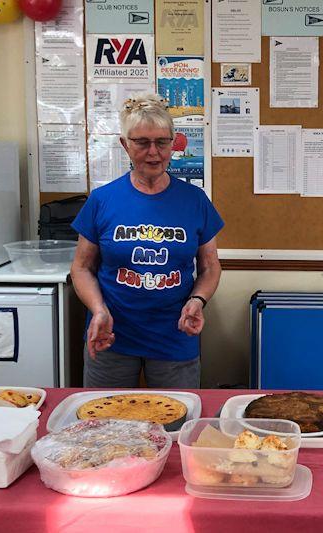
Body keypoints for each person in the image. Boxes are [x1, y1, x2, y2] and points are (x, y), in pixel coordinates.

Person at [70, 92, 223, 388]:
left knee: (175, 422)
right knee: (104, 424)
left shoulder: (195, 200)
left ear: (172, 143)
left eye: (161, 142)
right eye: (142, 142)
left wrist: (197, 300)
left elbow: (210, 267)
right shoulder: (102, 200)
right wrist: (98, 310)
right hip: (110, 335)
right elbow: (82, 267)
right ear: (125, 145)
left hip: (175, 336)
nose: (153, 152)